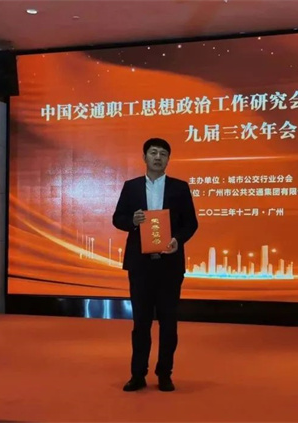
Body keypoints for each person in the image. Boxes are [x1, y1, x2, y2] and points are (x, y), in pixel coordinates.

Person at [112, 137, 198, 392]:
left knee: (168, 322)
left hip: (169, 264)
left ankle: (165, 373)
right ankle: (137, 374)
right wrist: (132, 221)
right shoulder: (131, 187)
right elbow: (118, 218)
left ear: (168, 159)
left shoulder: (179, 188)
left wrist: (177, 240)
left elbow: (191, 223)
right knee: (141, 322)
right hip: (140, 265)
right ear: (145, 157)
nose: (158, 157)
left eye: (163, 153)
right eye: (153, 152)